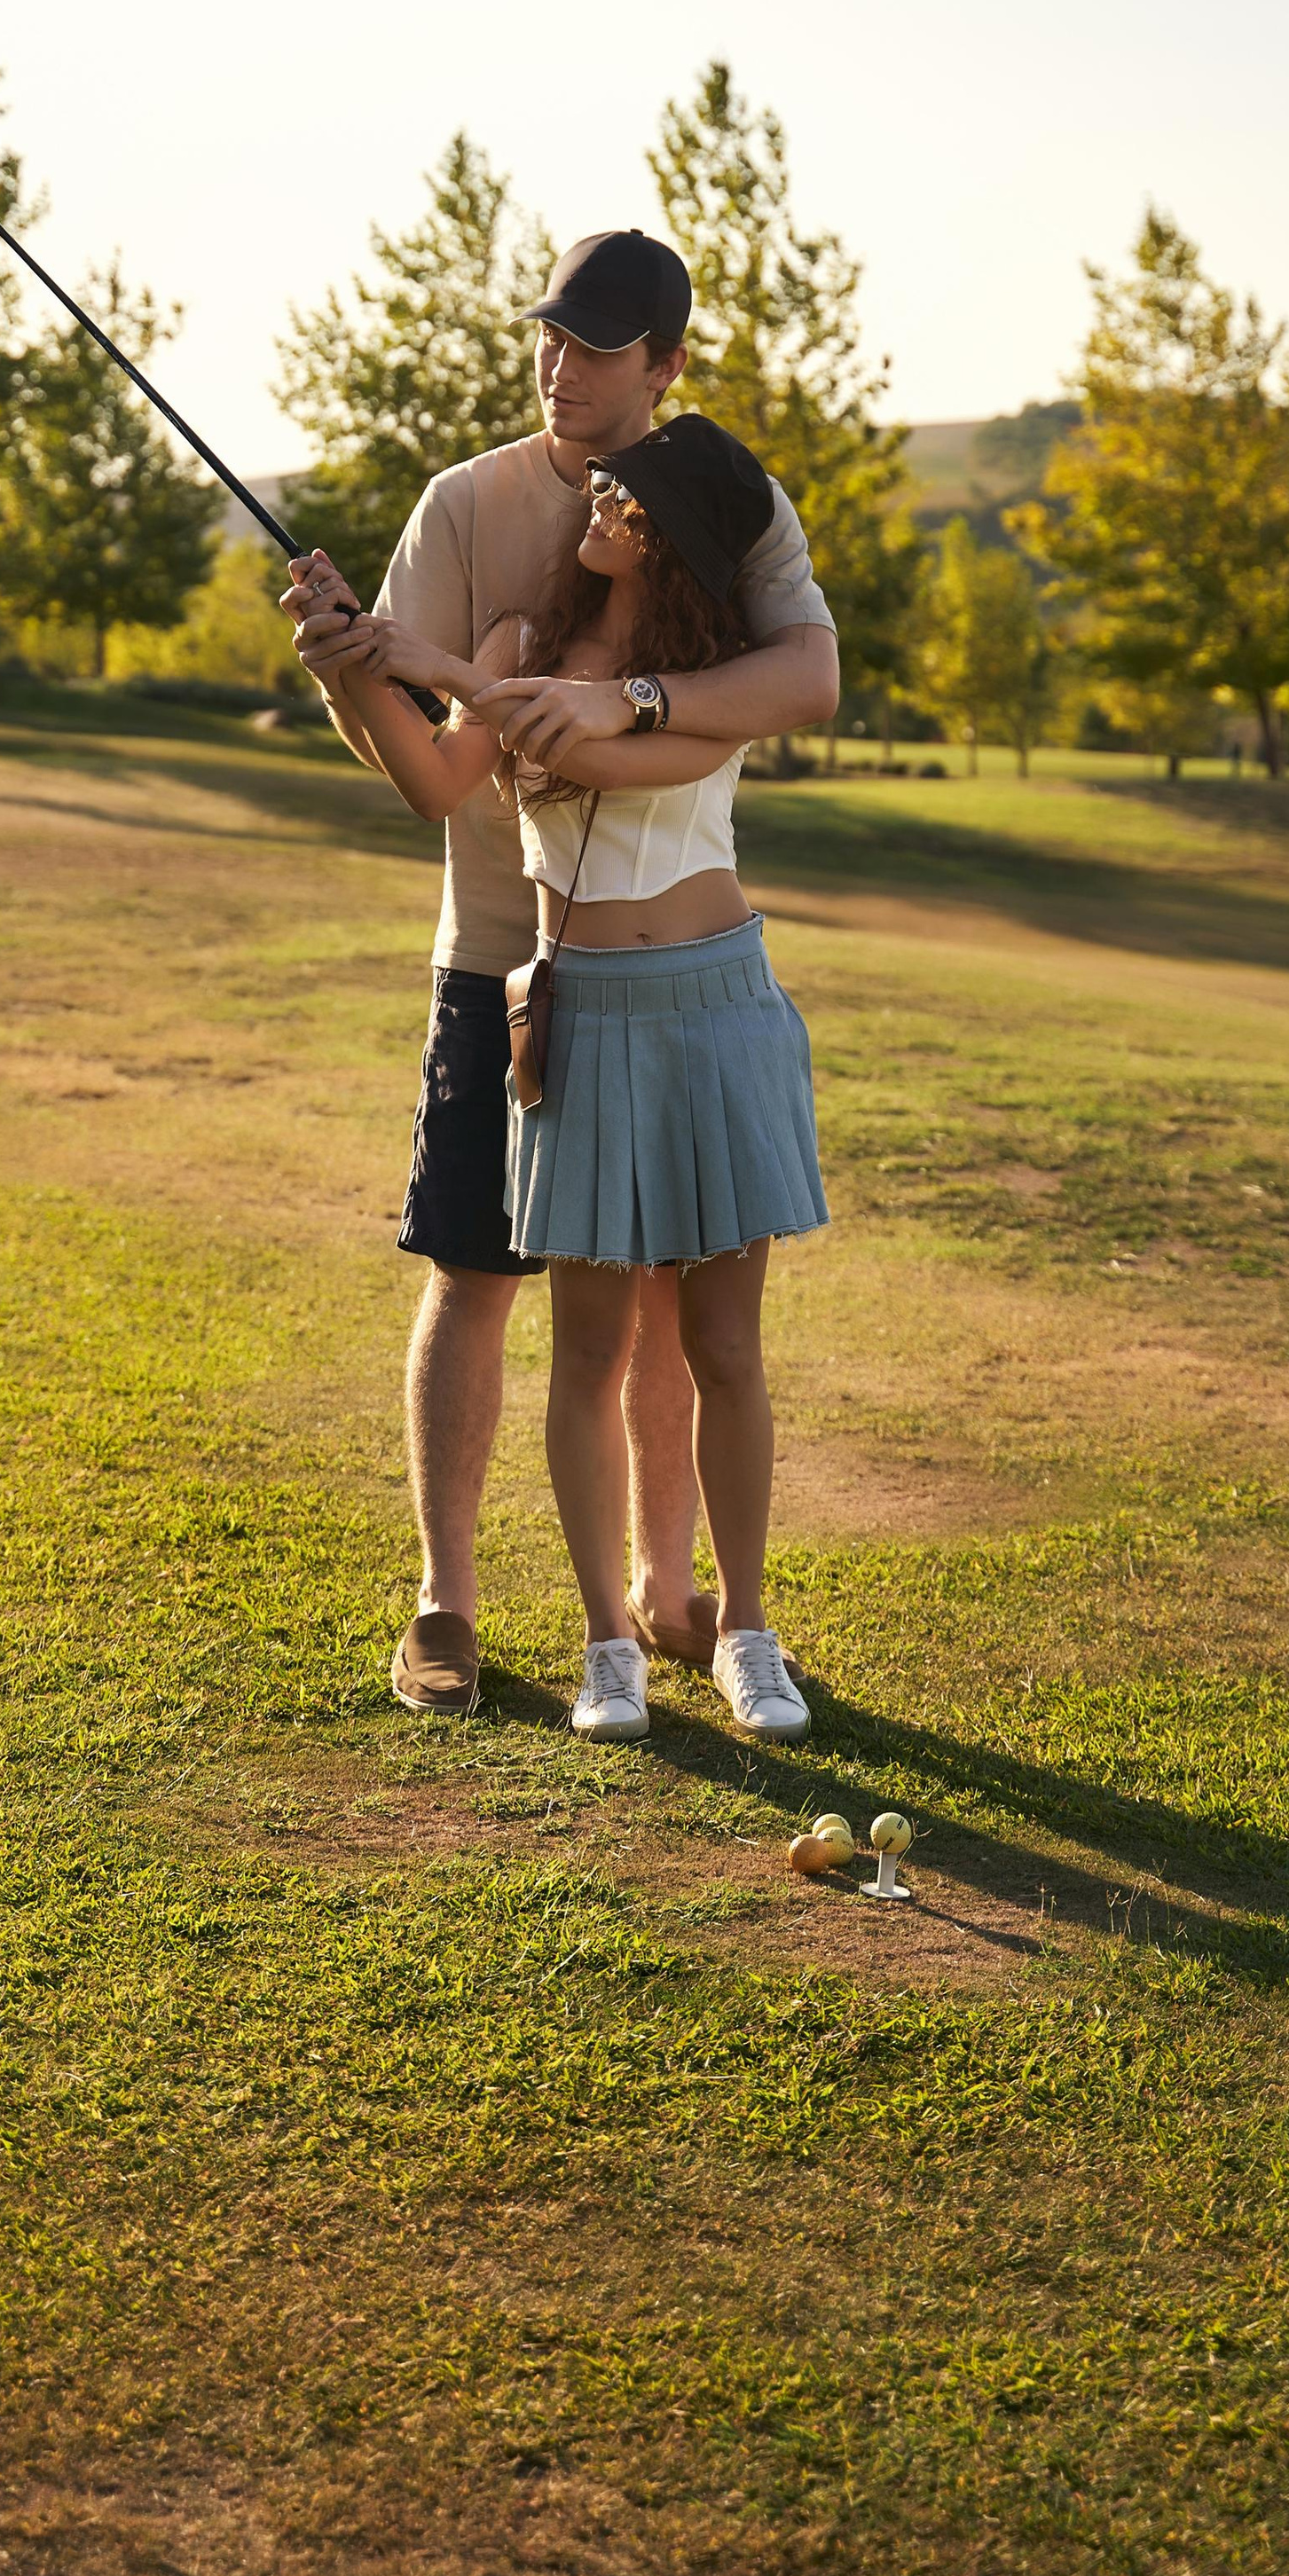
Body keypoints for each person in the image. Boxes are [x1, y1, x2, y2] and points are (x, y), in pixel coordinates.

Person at [282, 228, 837, 1716]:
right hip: (510, 967)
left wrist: (612, 688)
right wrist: (354, 671)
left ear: (664, 364)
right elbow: (436, 779)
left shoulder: (722, 502)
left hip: (686, 981)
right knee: (479, 1277)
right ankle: (448, 1604)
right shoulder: (466, 510)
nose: (561, 368)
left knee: (673, 1309)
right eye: (550, 337)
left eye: (598, 348)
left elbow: (795, 676)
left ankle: (674, 1598)